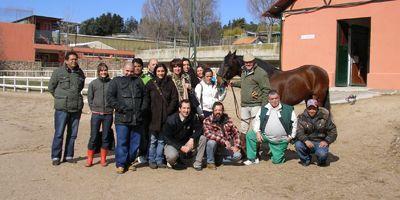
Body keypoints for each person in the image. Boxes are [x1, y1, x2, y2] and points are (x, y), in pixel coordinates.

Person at [107, 62, 149, 174]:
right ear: (123, 70)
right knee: (122, 142)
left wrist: (142, 109)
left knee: (135, 143)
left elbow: (145, 96)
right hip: (122, 118)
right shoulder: (115, 81)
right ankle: (121, 164)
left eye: (131, 71)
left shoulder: (139, 81)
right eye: (127, 71)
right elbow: (110, 97)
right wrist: (120, 108)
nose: (129, 73)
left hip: (137, 118)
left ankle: (129, 162)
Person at [48, 51, 85, 166]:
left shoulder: (80, 73)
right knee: (59, 133)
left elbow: (81, 87)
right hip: (62, 109)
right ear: (66, 60)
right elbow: (51, 87)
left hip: (76, 108)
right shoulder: (58, 72)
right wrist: (60, 98)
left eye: (75, 59)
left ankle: (69, 155)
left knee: (73, 134)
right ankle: (56, 156)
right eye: (72, 59)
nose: (74, 61)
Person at [244, 90, 297, 165]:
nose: (274, 100)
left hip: (280, 141)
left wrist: (291, 137)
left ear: (279, 98)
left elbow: (295, 123)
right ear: (269, 100)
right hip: (266, 136)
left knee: (277, 161)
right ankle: (252, 158)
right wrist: (258, 132)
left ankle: (275, 152)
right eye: (272, 99)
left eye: (276, 98)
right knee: (250, 135)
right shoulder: (263, 109)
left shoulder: (288, 109)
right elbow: (257, 121)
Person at [146, 64, 179, 169]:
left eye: (162, 71)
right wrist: (149, 112)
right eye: (158, 71)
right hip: (153, 117)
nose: (160, 73)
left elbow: (174, 99)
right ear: (155, 72)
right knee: (152, 140)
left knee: (161, 140)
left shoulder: (170, 83)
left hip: (165, 117)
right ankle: (151, 160)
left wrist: (168, 111)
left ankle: (159, 160)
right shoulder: (150, 83)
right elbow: (146, 99)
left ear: (165, 72)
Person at [231, 53, 271, 134]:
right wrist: (234, 84)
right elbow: (244, 83)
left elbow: (266, 90)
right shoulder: (243, 71)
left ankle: (256, 146)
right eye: (246, 62)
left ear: (254, 61)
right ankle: (243, 145)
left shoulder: (261, 73)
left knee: (255, 128)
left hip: (256, 105)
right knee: (243, 127)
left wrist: (264, 106)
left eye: (250, 62)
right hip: (244, 105)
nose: (248, 64)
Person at [162, 99, 206, 171]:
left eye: (188, 108)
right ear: (179, 109)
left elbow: (199, 129)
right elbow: (167, 138)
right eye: (184, 108)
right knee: (172, 156)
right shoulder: (171, 119)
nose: (186, 110)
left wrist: (192, 138)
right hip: (173, 144)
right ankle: (173, 162)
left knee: (203, 138)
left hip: (187, 143)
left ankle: (197, 163)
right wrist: (180, 147)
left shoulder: (193, 117)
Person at [86, 63, 113, 167]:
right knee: (93, 136)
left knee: (105, 136)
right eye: (101, 70)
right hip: (96, 114)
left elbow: (114, 96)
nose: (103, 72)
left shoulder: (111, 83)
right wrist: (93, 108)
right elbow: (90, 97)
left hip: (108, 114)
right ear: (98, 72)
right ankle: (90, 159)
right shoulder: (93, 83)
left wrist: (111, 108)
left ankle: (103, 158)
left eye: (105, 70)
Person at [295, 99, 337, 166]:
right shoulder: (301, 118)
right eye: (309, 108)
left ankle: (321, 160)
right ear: (307, 108)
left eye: (314, 108)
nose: (311, 111)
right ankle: (306, 160)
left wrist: (326, 141)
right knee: (298, 145)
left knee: (322, 154)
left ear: (317, 108)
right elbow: (299, 132)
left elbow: (333, 131)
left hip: (320, 142)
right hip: (307, 142)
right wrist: (305, 140)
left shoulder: (324, 117)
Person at [203, 102, 242, 170]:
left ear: (222, 111)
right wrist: (224, 141)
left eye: (220, 110)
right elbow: (208, 134)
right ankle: (210, 162)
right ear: (213, 111)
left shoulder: (227, 120)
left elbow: (236, 132)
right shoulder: (207, 120)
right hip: (213, 147)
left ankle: (218, 160)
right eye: (216, 110)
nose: (218, 112)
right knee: (211, 142)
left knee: (238, 156)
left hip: (224, 148)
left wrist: (236, 146)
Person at [133, 57, 151, 164]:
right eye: (135, 66)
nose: (137, 68)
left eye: (139, 66)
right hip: (131, 112)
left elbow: (148, 96)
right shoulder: (129, 77)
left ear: (142, 67)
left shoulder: (147, 79)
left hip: (143, 111)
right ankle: (132, 154)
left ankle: (142, 154)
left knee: (143, 134)